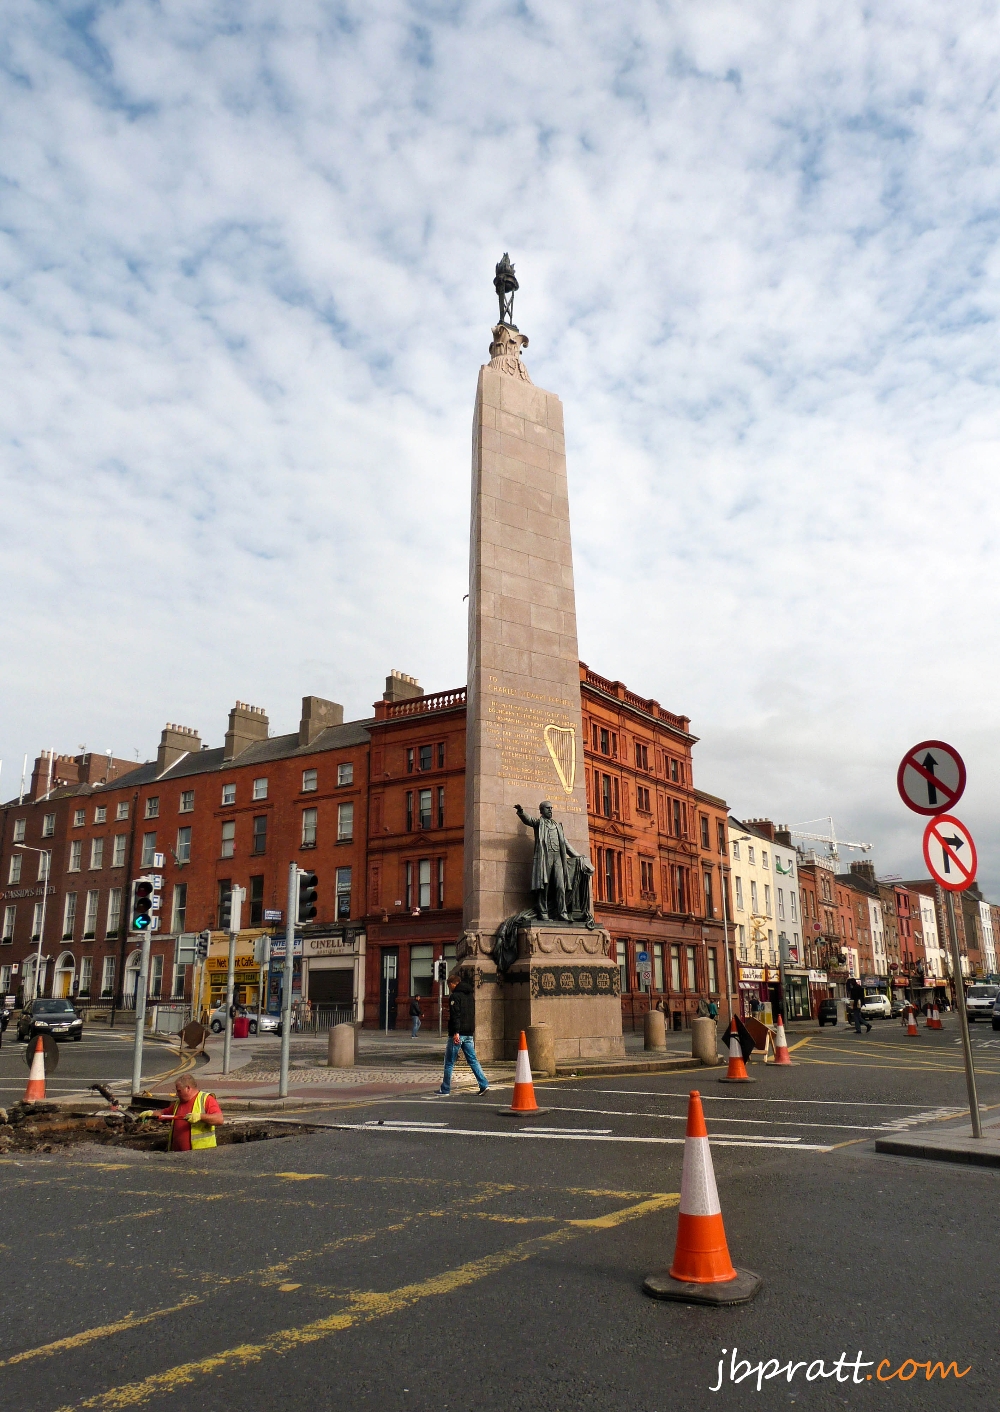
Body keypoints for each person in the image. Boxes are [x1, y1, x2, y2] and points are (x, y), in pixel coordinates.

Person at [434, 972, 489, 1096]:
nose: (450, 988)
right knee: (473, 1060)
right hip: (469, 1033)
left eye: (450, 986)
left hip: (458, 1033)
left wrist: (456, 1032)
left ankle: (445, 1088)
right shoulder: (470, 995)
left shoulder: (455, 996)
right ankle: (484, 1084)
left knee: (449, 1062)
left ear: (454, 984)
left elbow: (456, 1015)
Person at [152, 1076, 224, 1151]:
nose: (177, 1094)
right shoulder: (178, 1103)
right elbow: (164, 1113)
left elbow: (219, 1119)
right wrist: (151, 1113)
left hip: (201, 1155)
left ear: (188, 1088)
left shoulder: (206, 1099)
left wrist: (200, 1116)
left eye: (179, 1091)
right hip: (176, 1154)